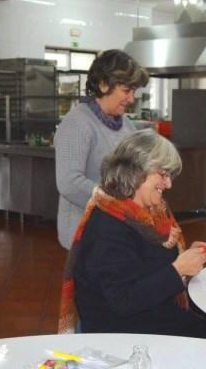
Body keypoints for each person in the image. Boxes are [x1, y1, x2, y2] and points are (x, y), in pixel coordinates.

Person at [61, 129, 206, 338]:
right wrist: (178, 269)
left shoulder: (150, 214)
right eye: (163, 174)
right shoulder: (107, 225)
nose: (169, 184)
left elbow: (150, 267)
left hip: (152, 318)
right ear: (136, 171)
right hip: (123, 334)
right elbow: (122, 301)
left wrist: (184, 259)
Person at [54, 50, 149, 249]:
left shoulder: (125, 124)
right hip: (86, 233)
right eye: (126, 90)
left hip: (116, 229)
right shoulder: (78, 124)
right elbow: (70, 183)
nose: (131, 99)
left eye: (134, 91)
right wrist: (117, 203)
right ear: (103, 84)